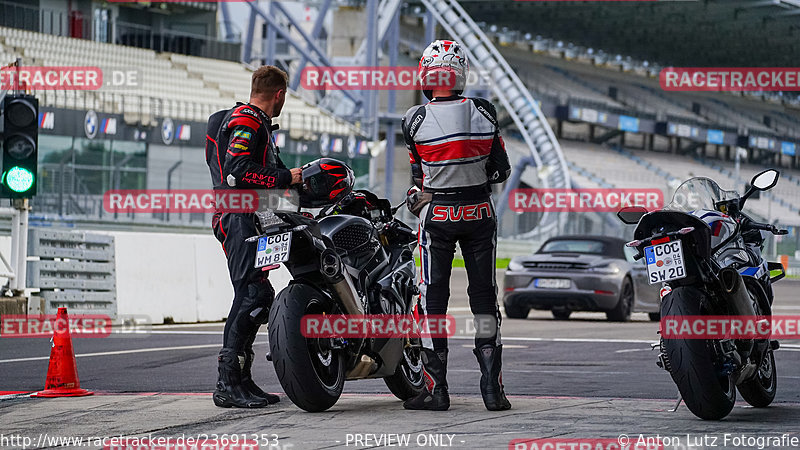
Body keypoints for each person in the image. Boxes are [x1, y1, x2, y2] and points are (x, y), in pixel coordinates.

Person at [402, 40, 512, 411]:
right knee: (483, 299)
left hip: (437, 218)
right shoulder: (485, 111)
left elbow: (419, 179)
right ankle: (493, 392)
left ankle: (437, 391)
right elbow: (501, 170)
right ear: (460, 73)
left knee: (433, 301)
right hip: (480, 212)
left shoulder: (413, 119)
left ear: (427, 76)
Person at [204, 66, 302, 408]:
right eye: (285, 96)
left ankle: (241, 379)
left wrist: (294, 198)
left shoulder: (253, 121)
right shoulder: (247, 119)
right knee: (251, 293)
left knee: (258, 293)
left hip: (249, 216)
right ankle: (228, 381)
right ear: (280, 94)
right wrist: (285, 175)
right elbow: (237, 172)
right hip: (238, 218)